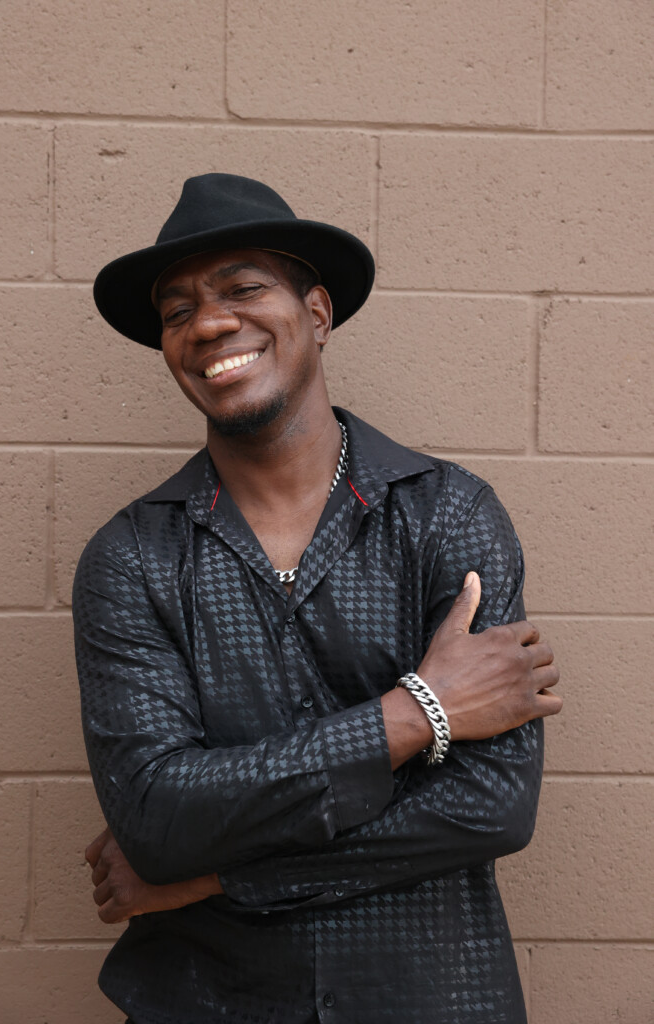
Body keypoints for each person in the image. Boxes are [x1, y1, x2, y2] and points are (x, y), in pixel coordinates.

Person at [74, 173, 562, 1024]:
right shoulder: (131, 558)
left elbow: (490, 806)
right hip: (206, 1001)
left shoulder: (447, 515)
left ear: (318, 313)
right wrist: (416, 714)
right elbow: (155, 818)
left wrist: (214, 874)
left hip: (430, 998)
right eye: (178, 310)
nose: (209, 323)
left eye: (241, 289)